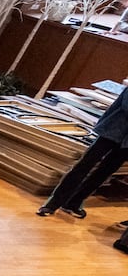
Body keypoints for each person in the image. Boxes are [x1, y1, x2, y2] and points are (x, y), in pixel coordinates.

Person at [38, 84, 127, 218]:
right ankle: (53, 203)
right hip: (112, 130)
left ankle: (74, 203)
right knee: (84, 165)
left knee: (105, 172)